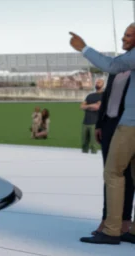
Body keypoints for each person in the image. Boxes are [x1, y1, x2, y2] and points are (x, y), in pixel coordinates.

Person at [71, 25, 135, 243]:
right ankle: (127, 227)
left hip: (129, 125)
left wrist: (83, 48)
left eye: (129, 35)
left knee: (114, 174)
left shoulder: (127, 61)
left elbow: (111, 64)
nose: (124, 38)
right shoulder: (126, 60)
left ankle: (112, 228)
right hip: (114, 124)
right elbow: (109, 93)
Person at [93, 69, 135, 237]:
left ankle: (124, 221)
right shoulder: (115, 69)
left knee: (127, 175)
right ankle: (108, 220)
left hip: (126, 124)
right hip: (109, 124)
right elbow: (106, 97)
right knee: (110, 174)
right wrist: (99, 124)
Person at [81, 79, 103, 153]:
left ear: (103, 85)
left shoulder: (103, 95)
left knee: (93, 144)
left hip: (95, 123)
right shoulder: (90, 95)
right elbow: (81, 106)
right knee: (84, 144)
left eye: (99, 82)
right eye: (97, 82)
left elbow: (98, 107)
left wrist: (87, 106)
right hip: (85, 122)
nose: (97, 83)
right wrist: (92, 105)